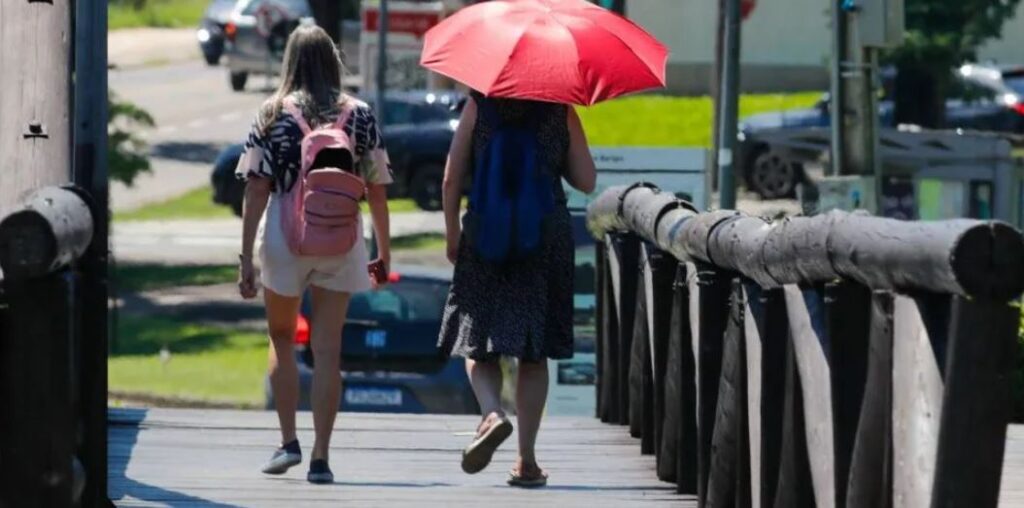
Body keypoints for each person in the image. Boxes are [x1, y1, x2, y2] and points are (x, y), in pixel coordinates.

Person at [235, 25, 392, 485]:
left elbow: (256, 189)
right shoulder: (360, 115)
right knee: (328, 350)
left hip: (286, 234)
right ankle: (322, 458)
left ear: (290, 61)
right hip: (342, 237)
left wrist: (246, 256)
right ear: (332, 61)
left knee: (282, 338)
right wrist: (383, 250)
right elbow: (378, 190)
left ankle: (288, 443)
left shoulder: (269, 114)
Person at [437, 93, 597, 487]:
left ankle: (492, 412)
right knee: (533, 351)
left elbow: (450, 177)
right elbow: (587, 180)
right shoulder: (561, 110)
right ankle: (526, 461)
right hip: (543, 235)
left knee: (477, 341)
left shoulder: (478, 106)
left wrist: (452, 233)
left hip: (486, 231)